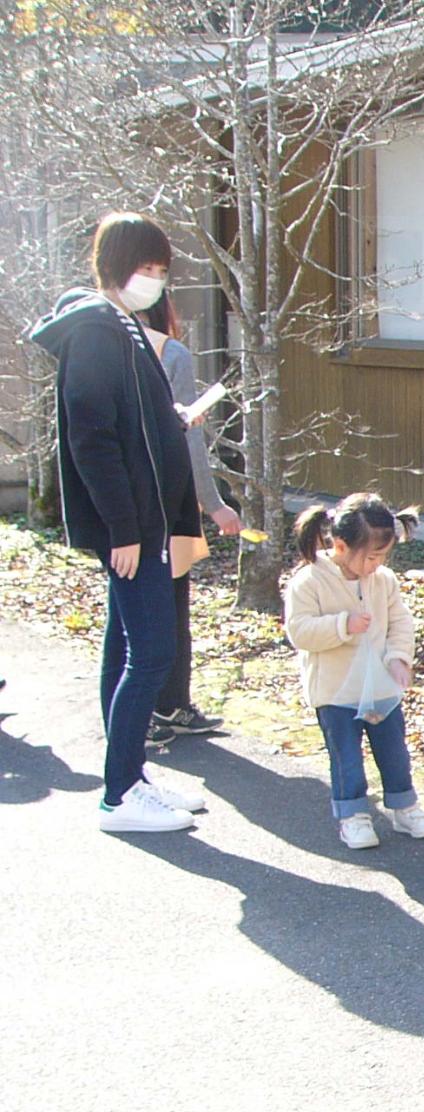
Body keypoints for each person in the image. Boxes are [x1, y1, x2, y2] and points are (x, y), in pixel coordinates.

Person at [28, 211, 204, 833]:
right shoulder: (99, 331)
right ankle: (120, 794)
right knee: (151, 654)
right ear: (115, 266)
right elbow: (92, 438)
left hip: (147, 518)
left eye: (161, 271)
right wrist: (124, 529)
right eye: (146, 269)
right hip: (136, 526)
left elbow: (128, 423)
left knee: (124, 646)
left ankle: (127, 776)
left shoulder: (123, 326)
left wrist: (173, 418)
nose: (155, 281)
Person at [281, 493, 424, 850]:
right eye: (371, 556)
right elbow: (300, 632)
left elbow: (400, 621)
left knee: (394, 751)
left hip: (381, 687)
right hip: (335, 692)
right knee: (346, 757)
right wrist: (342, 625)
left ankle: (404, 807)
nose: (377, 564)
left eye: (383, 556)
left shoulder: (383, 580)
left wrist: (399, 657)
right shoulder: (309, 581)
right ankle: (352, 815)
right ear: (339, 545)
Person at [136, 289, 242, 746]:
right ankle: (165, 706)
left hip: (126, 501)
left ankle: (141, 716)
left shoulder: (105, 343)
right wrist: (214, 503)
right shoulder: (168, 352)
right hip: (168, 502)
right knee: (169, 607)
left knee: (130, 611)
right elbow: (188, 441)